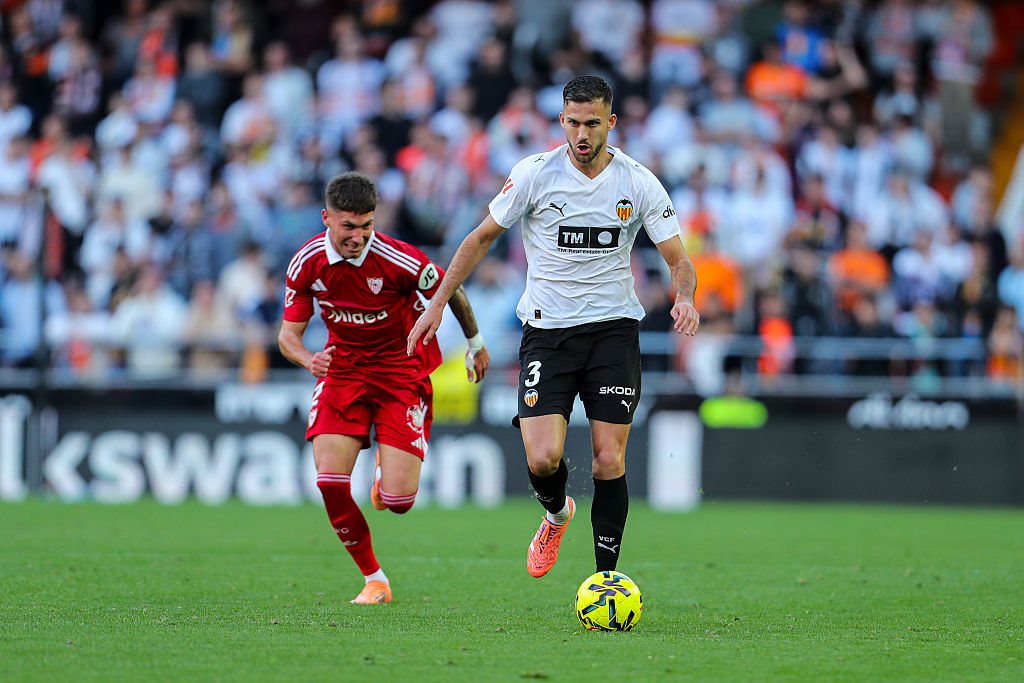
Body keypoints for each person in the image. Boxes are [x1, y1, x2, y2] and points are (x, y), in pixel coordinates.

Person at [407, 75, 699, 579]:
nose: (582, 134)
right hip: (548, 334)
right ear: (561, 121)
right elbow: (480, 238)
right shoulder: (535, 174)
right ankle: (558, 514)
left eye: (592, 124)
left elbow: (678, 258)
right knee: (543, 460)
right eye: (573, 123)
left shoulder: (638, 182)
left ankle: (606, 579)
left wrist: (686, 297)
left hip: (612, 332)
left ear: (611, 122)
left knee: (608, 459)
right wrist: (437, 303)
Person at [279, 172, 490, 605]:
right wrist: (307, 359)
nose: (358, 237)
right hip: (342, 373)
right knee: (330, 481)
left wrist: (475, 343)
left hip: (399, 374)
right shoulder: (307, 263)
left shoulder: (401, 260)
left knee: (398, 501)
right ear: (326, 218)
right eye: (348, 226)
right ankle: (374, 579)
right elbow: (287, 336)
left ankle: (386, 475)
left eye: (366, 226)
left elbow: (450, 288)